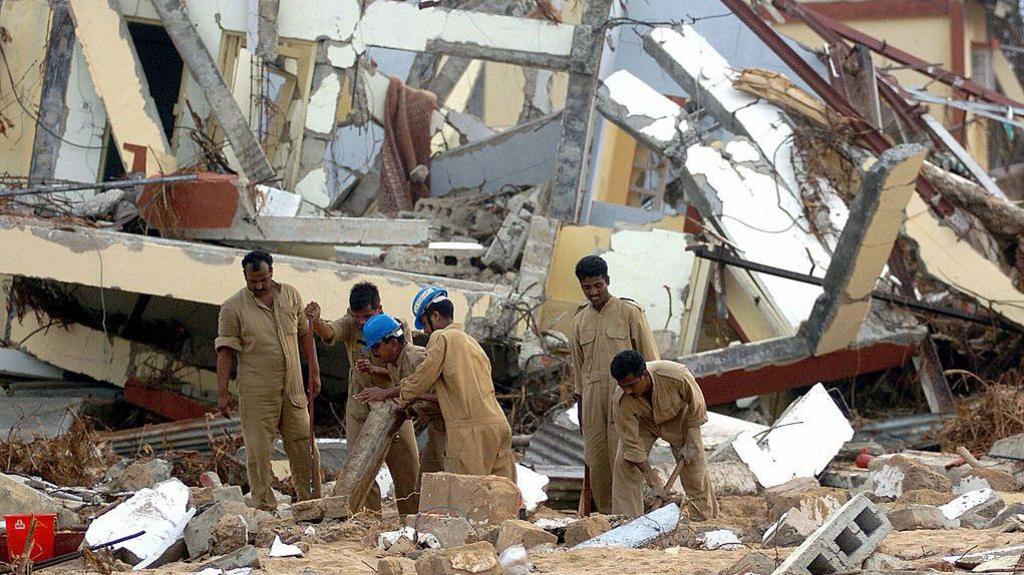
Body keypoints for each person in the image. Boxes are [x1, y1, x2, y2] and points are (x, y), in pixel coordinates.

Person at [358, 286, 515, 481]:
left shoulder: (441, 337)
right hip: (498, 425)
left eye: (425, 323)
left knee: (464, 498)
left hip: (469, 431)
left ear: (436, 316)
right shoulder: (471, 342)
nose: (425, 330)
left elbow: (422, 379)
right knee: (502, 496)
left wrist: (387, 393)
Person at [215, 249, 320, 510]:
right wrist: (223, 392)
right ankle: (264, 505)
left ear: (271, 272)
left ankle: (311, 501)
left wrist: (314, 372)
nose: (259, 285)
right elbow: (225, 352)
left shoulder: (291, 295)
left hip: (293, 389)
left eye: (263, 279)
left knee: (304, 445)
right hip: (257, 393)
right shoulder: (233, 308)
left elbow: (304, 334)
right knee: (259, 451)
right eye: (253, 281)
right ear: (245, 277)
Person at [304, 283, 420, 515]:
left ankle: (411, 519)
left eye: (367, 317)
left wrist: (375, 371)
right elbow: (330, 332)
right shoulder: (350, 324)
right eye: (358, 318)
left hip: (394, 403)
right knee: (359, 467)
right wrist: (316, 321)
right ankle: (368, 520)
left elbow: (408, 374)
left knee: (407, 467)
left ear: (380, 309)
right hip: (360, 406)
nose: (362, 324)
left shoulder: (396, 329)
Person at [570, 255, 660, 514]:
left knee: (624, 460)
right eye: (587, 287)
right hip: (591, 401)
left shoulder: (630, 313)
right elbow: (579, 371)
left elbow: (650, 363)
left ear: (607, 281)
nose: (593, 292)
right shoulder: (578, 321)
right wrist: (581, 410)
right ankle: (607, 521)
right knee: (597, 462)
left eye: (598, 285)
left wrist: (649, 404)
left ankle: (630, 518)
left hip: (625, 398)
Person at [610, 350, 718, 520]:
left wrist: (692, 438)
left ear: (644, 374)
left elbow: (697, 408)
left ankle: (703, 518)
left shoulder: (676, 375)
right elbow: (632, 445)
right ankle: (627, 521)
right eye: (623, 386)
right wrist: (651, 479)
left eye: (631, 385)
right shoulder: (621, 400)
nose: (628, 391)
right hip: (644, 424)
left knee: (694, 469)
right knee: (624, 464)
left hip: (680, 419)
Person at [360, 313, 446, 478]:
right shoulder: (393, 363)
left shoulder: (418, 358)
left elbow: (443, 399)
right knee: (423, 488)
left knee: (449, 485)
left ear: (393, 343)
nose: (375, 354)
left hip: (448, 429)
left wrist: (386, 394)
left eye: (376, 347)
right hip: (434, 429)